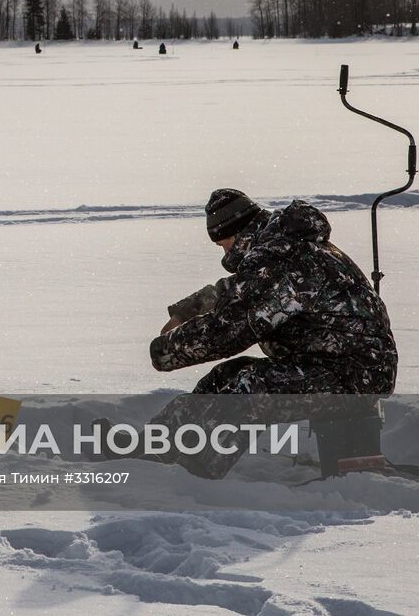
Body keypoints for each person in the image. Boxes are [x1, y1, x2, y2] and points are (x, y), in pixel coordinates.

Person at [126, 189, 398, 478]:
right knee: (228, 374)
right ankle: (155, 446)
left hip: (357, 374)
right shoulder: (280, 247)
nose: (225, 253)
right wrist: (186, 310)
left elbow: (230, 331)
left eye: (223, 244)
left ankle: (192, 476)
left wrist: (165, 351)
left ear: (237, 233)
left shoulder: (281, 258)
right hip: (328, 362)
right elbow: (237, 290)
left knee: (251, 389)